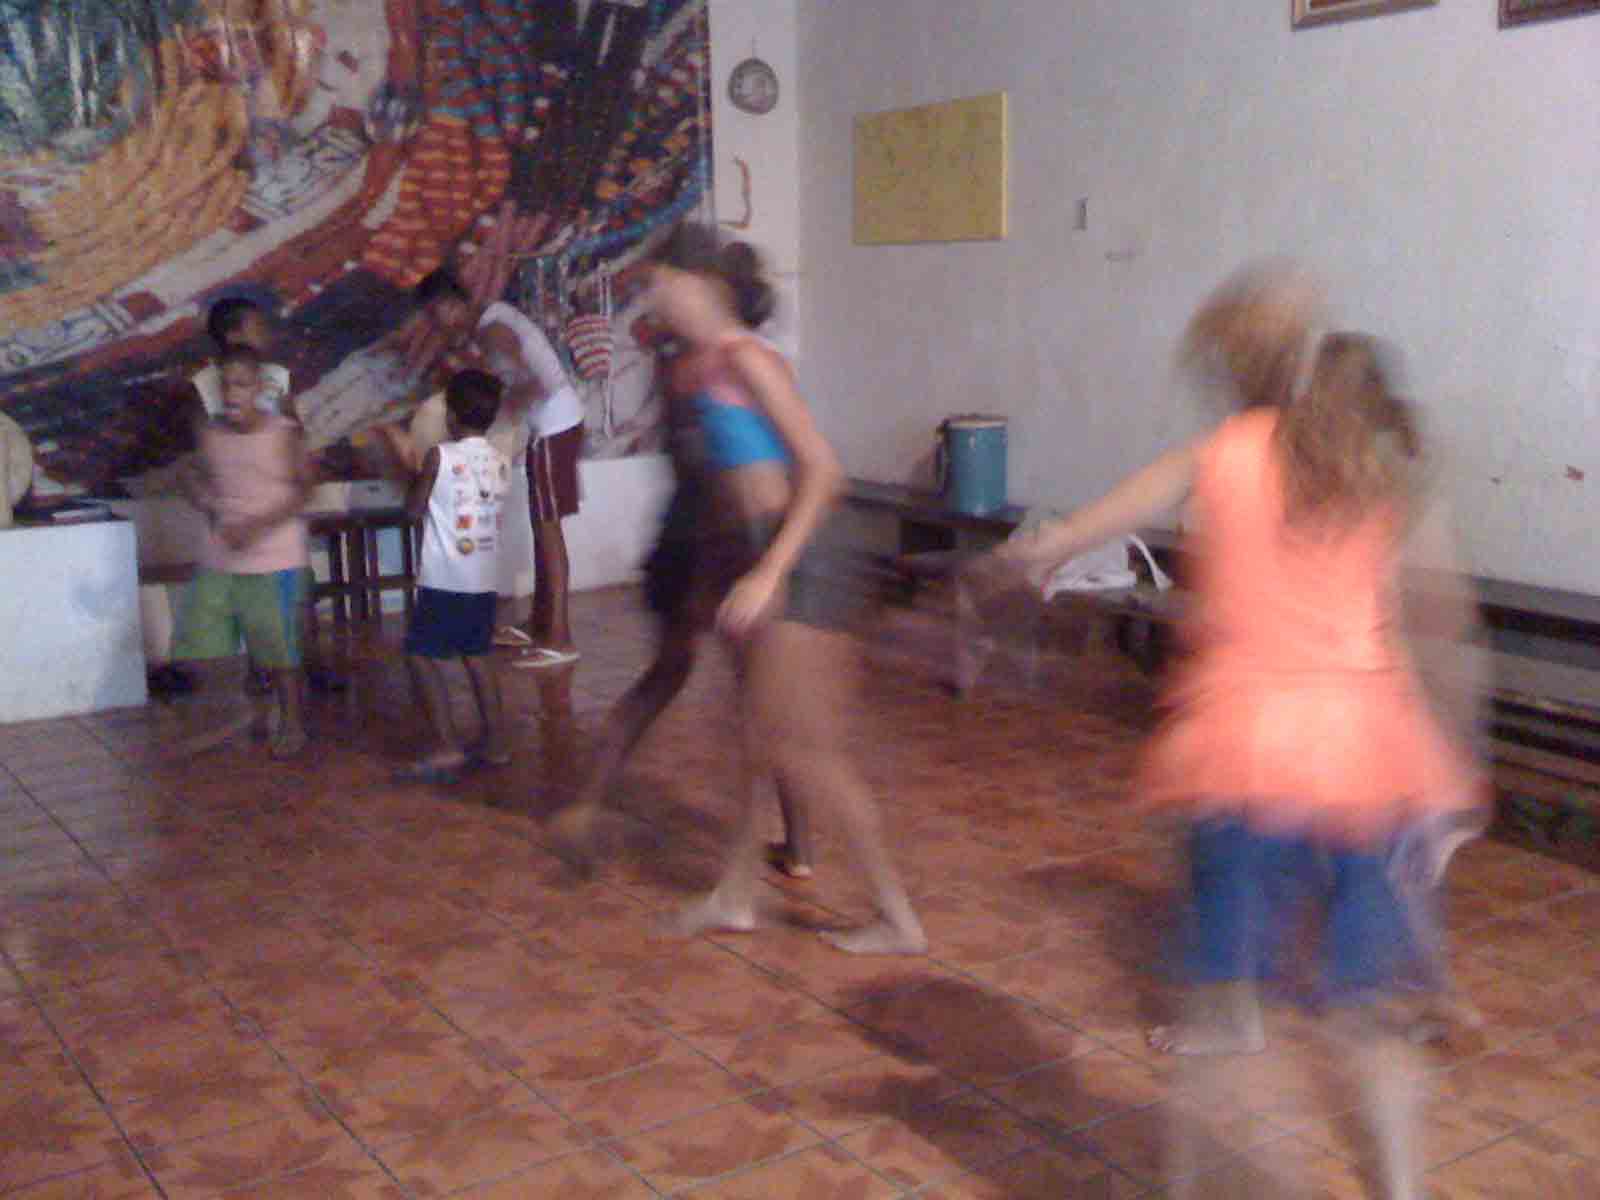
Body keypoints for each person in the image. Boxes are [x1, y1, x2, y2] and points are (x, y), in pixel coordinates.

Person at [966, 265, 1484, 1200]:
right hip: (1367, 754)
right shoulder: (1374, 470)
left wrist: (1012, 563)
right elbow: (1437, 625)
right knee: (1365, 1020)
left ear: (1227, 367)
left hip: (1244, 752)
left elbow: (1068, 535)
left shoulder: (1216, 455)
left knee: (1218, 1014)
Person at [559, 224, 925, 953]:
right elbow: (715, 492)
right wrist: (722, 575)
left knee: (809, 752)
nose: (655, 297)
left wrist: (768, 571)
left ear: (704, 285)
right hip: (758, 557)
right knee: (758, 739)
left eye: (663, 282)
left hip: (805, 558)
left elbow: (823, 472)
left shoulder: (745, 358)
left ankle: (897, 919)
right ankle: (734, 896)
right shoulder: (696, 367)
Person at [413, 269, 585, 668]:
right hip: (552, 427)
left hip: (554, 426)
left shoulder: (493, 330)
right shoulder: (492, 322)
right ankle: (542, 623)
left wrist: (486, 422)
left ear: (450, 305)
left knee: (548, 529)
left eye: (435, 317)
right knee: (543, 526)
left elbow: (534, 386)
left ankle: (560, 638)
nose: (436, 328)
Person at [173, 345, 316, 759]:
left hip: (276, 555)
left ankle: (291, 723)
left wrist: (258, 526)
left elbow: (305, 489)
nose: (233, 394)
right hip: (224, 555)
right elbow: (190, 475)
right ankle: (248, 715)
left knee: (280, 648)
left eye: (241, 384)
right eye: (226, 386)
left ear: (259, 388)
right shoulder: (211, 434)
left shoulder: (283, 432)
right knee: (224, 647)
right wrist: (208, 504)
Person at [395, 369, 514, 782]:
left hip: (444, 580)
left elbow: (413, 510)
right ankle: (497, 744)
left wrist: (406, 468)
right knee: (477, 655)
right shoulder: (501, 462)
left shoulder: (440, 456)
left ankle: (446, 746)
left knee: (418, 654)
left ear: (451, 415)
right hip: (482, 579)